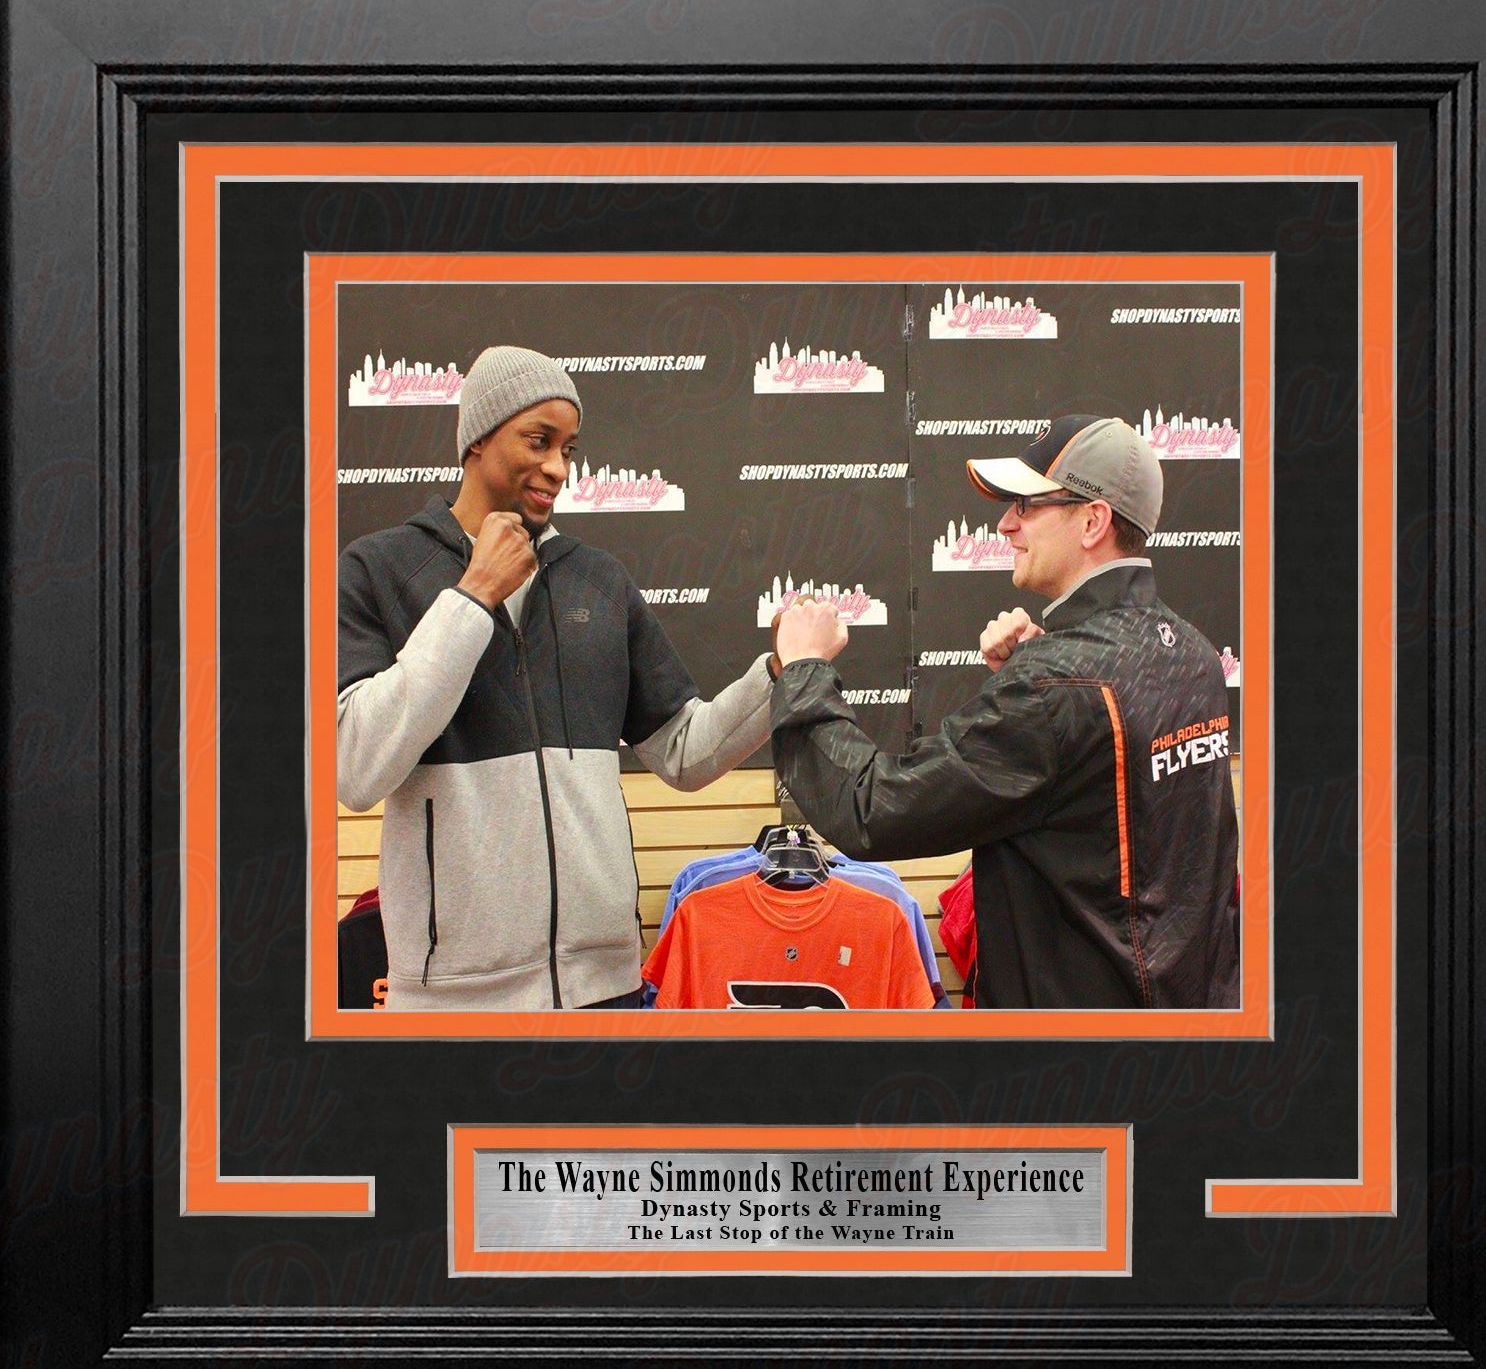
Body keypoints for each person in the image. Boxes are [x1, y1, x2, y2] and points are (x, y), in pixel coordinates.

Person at [336, 346, 782, 1010]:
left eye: (568, 448)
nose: (558, 468)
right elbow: (356, 766)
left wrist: (779, 674)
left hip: (606, 992)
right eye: (538, 440)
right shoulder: (378, 569)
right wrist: (473, 597)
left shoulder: (598, 580)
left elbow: (684, 752)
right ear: (478, 439)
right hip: (453, 1004)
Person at [771, 415, 1240, 1009]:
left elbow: (871, 810)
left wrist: (804, 668)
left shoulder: (1054, 686)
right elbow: (1115, 818)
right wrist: (1040, 665)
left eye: (1026, 505)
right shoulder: (1192, 653)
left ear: (1092, 521)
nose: (1005, 524)